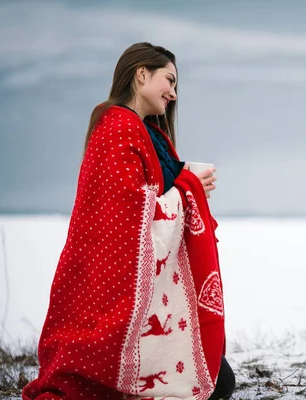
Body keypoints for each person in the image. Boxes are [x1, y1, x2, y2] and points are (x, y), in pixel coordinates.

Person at [22, 42, 235, 400]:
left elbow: (151, 195)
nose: (173, 92)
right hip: (114, 293)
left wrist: (186, 182)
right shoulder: (118, 127)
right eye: (169, 80)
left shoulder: (149, 133)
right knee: (214, 385)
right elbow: (131, 215)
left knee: (218, 379)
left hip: (150, 294)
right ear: (141, 75)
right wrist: (188, 188)